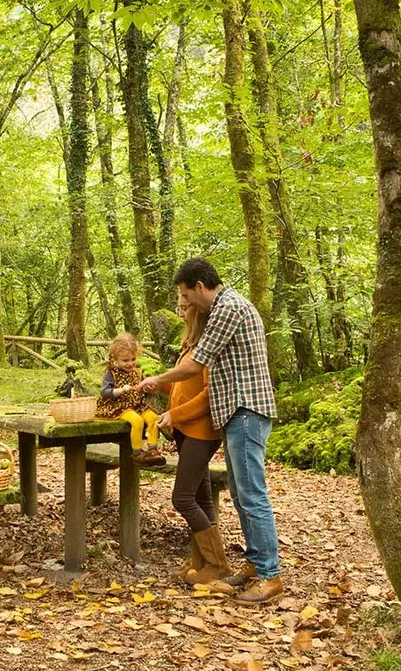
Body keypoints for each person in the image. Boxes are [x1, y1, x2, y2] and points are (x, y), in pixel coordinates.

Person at [141, 257, 282, 605]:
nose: (186, 303)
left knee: (251, 494)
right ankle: (255, 564)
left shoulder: (227, 307)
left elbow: (196, 362)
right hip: (234, 413)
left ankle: (270, 575)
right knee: (239, 492)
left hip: (246, 409)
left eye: (187, 295)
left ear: (200, 287)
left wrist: (158, 379)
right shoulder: (225, 306)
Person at [156, 294, 231, 586]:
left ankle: (217, 564)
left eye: (185, 307)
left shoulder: (208, 350)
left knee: (183, 498)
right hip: (186, 432)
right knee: (201, 497)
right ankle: (200, 563)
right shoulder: (189, 347)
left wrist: (175, 414)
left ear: (198, 313)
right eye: (178, 306)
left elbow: (208, 397)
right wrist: (151, 382)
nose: (180, 312)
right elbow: (180, 388)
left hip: (202, 433)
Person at [97, 333, 160, 453]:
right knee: (137, 421)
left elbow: (141, 391)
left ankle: (152, 448)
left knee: (153, 418)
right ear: (115, 359)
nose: (130, 363)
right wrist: (120, 390)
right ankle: (137, 451)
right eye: (125, 360)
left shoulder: (137, 372)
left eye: (133, 359)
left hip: (137, 406)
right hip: (119, 407)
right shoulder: (111, 373)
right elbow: (104, 393)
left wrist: (146, 389)